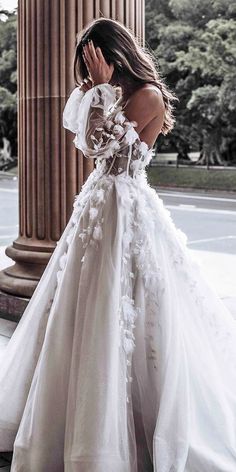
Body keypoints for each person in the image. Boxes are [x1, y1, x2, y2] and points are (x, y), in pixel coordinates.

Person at [0, 17, 236, 472]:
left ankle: (130, 424)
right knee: (82, 303)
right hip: (96, 204)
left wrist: (103, 92)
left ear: (113, 56)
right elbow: (86, 140)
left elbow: (100, 145)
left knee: (128, 303)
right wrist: (98, 91)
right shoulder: (110, 95)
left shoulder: (146, 96)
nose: (89, 71)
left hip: (124, 206)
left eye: (94, 60)